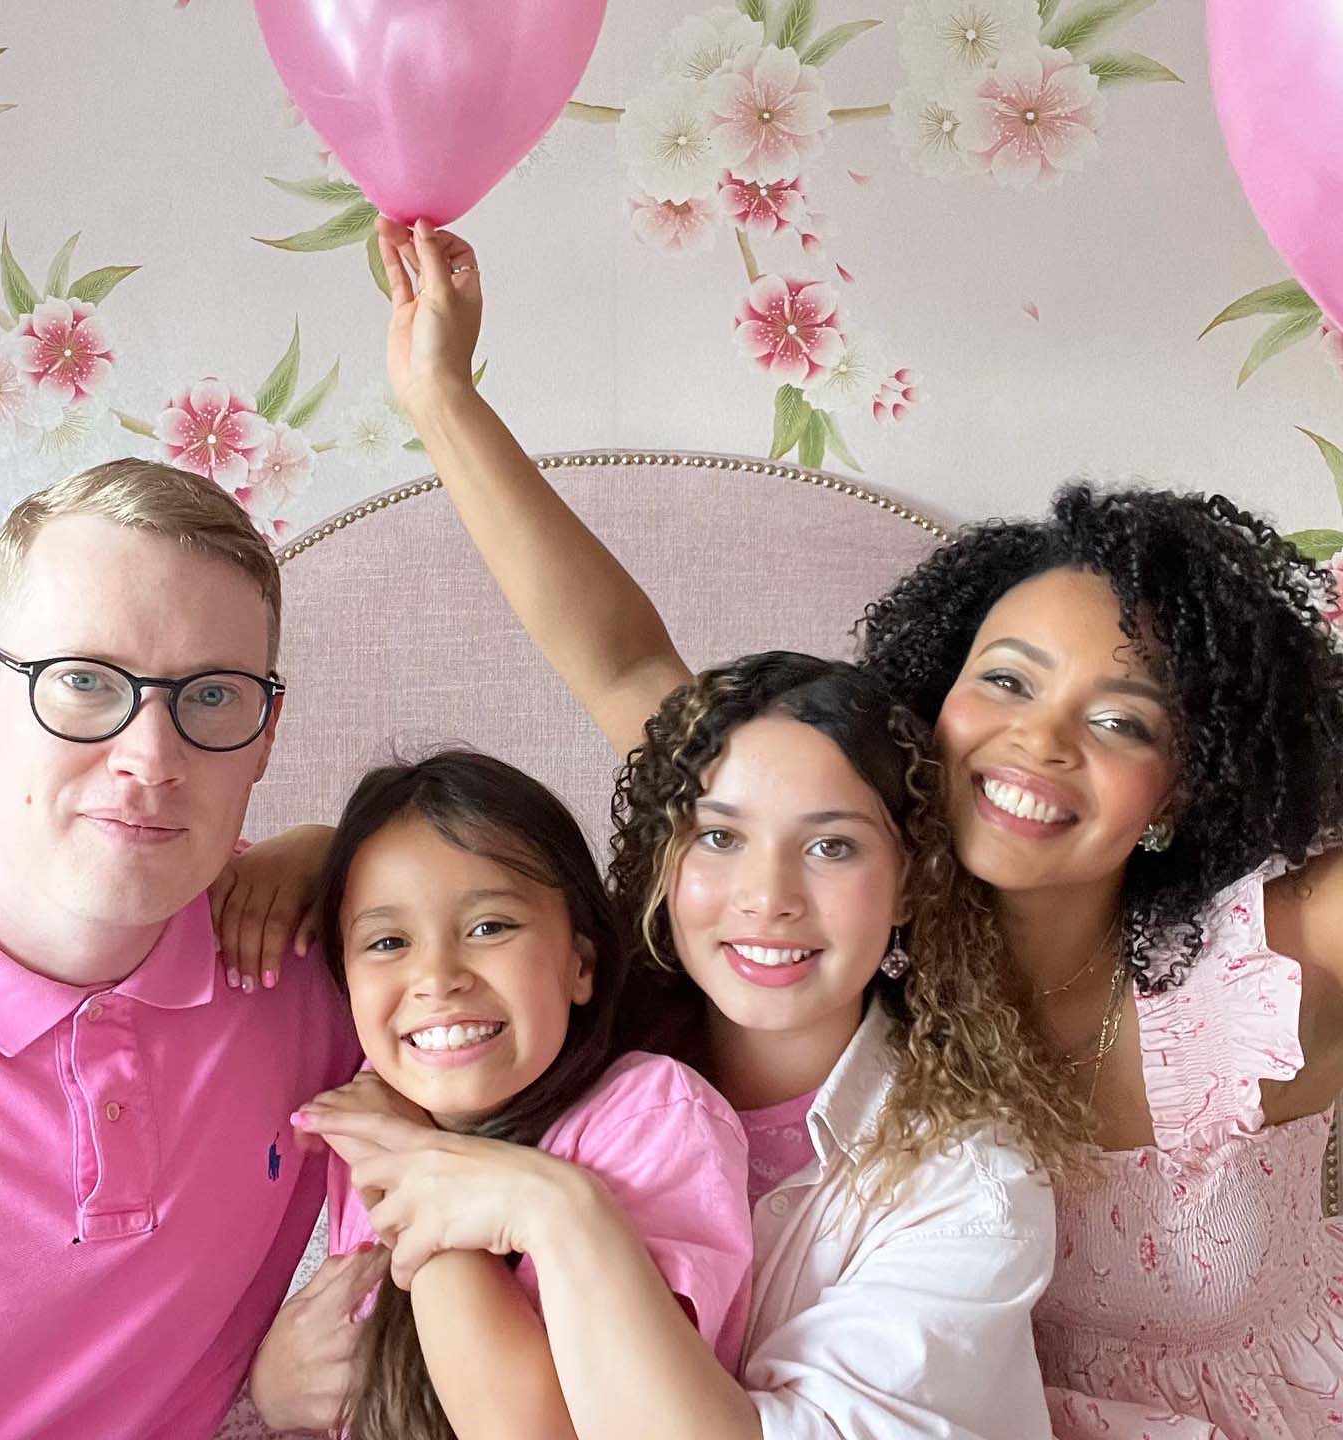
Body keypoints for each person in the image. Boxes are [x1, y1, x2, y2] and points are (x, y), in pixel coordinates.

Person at [318, 217, 1343, 1439]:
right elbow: (624, 660)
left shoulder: (1271, 968)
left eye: (1123, 723)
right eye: (1006, 682)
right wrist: (440, 395)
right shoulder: (813, 878)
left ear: (1190, 779)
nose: (1040, 745)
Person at [226, 678, 1065, 1428]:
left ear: (910, 881)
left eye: (831, 845)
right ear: (665, 863)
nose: (767, 898)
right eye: (720, 838)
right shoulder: (476, 1062)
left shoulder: (970, 1187)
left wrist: (497, 1195)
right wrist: (310, 855)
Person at [0, 459, 358, 1440]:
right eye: (82, 682)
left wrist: (346, 854)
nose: (151, 759)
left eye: (211, 699)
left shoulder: (315, 957)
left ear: (267, 734)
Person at [247, 750, 753, 1439]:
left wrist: (413, 1170)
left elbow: (535, 1429)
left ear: (580, 962)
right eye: (389, 941)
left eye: (489, 928)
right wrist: (273, 1384)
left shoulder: (652, 1116)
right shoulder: (371, 1113)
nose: (437, 976)